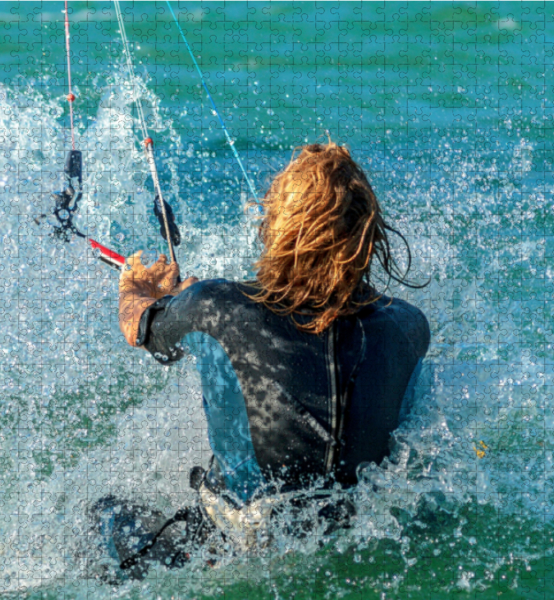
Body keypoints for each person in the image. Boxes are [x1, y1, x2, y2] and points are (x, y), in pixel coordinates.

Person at [97, 142, 430, 578]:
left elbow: (137, 327)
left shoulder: (216, 307)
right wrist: (200, 304)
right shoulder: (408, 326)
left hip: (235, 546)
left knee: (105, 513)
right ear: (366, 235)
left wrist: (137, 288)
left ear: (280, 227)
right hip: (352, 535)